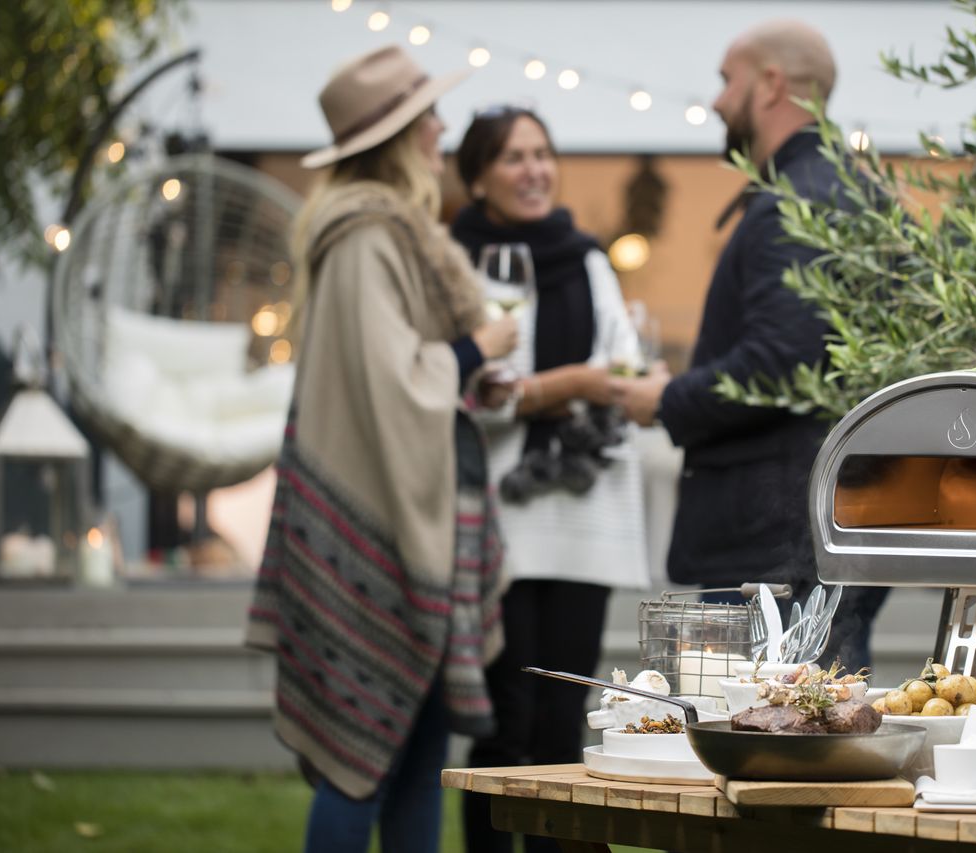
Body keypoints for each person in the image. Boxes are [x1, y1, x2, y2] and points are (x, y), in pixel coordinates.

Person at [244, 45, 518, 853]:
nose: (442, 126)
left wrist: (471, 378)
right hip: (377, 528)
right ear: (399, 136)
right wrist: (475, 348)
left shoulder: (388, 234)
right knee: (362, 758)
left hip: (399, 516)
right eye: (427, 115)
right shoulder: (367, 237)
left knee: (416, 749)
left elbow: (394, 376)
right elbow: (392, 386)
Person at [612, 20, 888, 674]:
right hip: (819, 529)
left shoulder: (797, 200)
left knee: (777, 741)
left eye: (725, 78)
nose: (715, 100)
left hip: (776, 545)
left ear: (769, 85)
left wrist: (665, 398)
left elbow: (782, 364)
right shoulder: (847, 190)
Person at [450, 106, 649, 853]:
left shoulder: (590, 261)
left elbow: (619, 369)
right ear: (477, 177)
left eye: (542, 153)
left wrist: (615, 382)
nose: (534, 169)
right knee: (505, 722)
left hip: (582, 517)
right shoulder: (457, 263)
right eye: (512, 157)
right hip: (500, 517)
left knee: (566, 724)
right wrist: (568, 383)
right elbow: (467, 391)